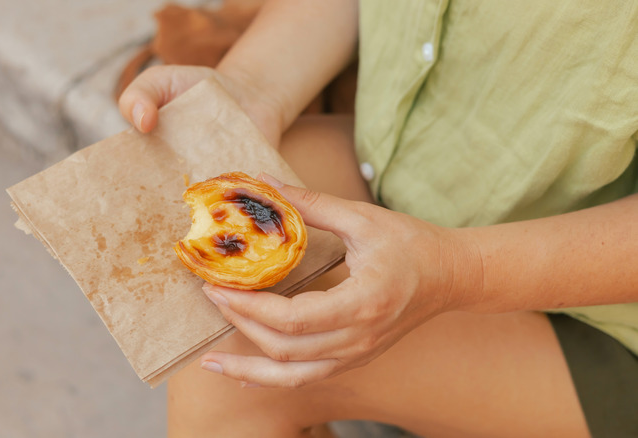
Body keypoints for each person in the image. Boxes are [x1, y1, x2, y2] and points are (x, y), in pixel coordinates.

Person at [119, 1, 638, 437]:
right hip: (402, 167)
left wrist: (457, 270)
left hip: (594, 304)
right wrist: (251, 86)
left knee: (233, 362)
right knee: (184, 244)